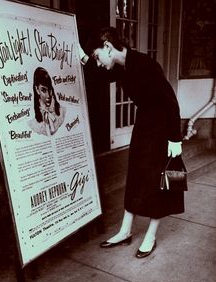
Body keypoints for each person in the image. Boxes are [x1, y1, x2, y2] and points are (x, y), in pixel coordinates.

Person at [78, 27, 184, 258]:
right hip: (144, 125)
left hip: (163, 129)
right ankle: (125, 231)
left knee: (159, 181)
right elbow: (102, 76)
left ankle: (151, 235)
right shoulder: (123, 66)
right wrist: (85, 58)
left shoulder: (145, 65)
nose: (97, 62)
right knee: (136, 176)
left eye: (97, 56)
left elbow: (170, 103)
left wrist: (175, 139)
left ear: (108, 46)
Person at [28, 67, 66, 136]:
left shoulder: (62, 112)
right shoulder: (34, 125)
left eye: (49, 90)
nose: (48, 96)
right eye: (44, 90)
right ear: (37, 90)